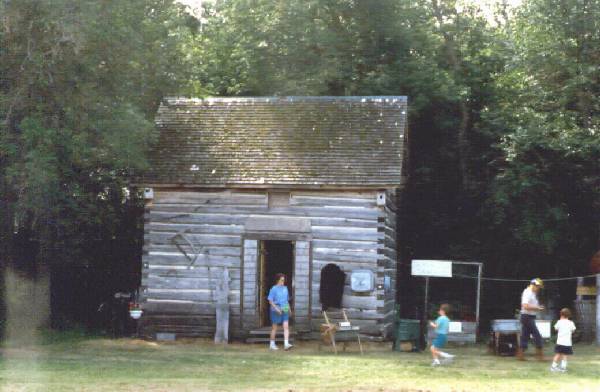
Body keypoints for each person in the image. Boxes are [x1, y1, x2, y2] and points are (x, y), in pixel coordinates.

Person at [517, 278, 546, 361]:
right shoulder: (527, 293)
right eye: (538, 287)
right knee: (537, 335)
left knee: (525, 336)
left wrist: (537, 308)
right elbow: (525, 306)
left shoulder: (532, 293)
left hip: (529, 316)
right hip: (527, 316)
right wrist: (537, 308)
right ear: (534, 285)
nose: (539, 289)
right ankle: (540, 356)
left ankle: (520, 355)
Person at [267, 273, 293, 350]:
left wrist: (289, 309)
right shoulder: (273, 289)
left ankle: (286, 344)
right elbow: (270, 301)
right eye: (282, 280)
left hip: (285, 307)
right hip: (276, 307)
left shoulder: (285, 288)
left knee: (286, 326)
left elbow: (286, 300)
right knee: (274, 328)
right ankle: (272, 344)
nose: (283, 281)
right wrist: (276, 309)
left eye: (284, 280)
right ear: (277, 280)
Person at [550, 308, 576, 372]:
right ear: (569, 315)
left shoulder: (559, 322)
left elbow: (556, 329)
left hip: (559, 342)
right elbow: (573, 330)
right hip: (567, 343)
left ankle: (553, 367)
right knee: (565, 355)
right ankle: (563, 368)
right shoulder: (571, 323)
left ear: (561, 315)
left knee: (557, 354)